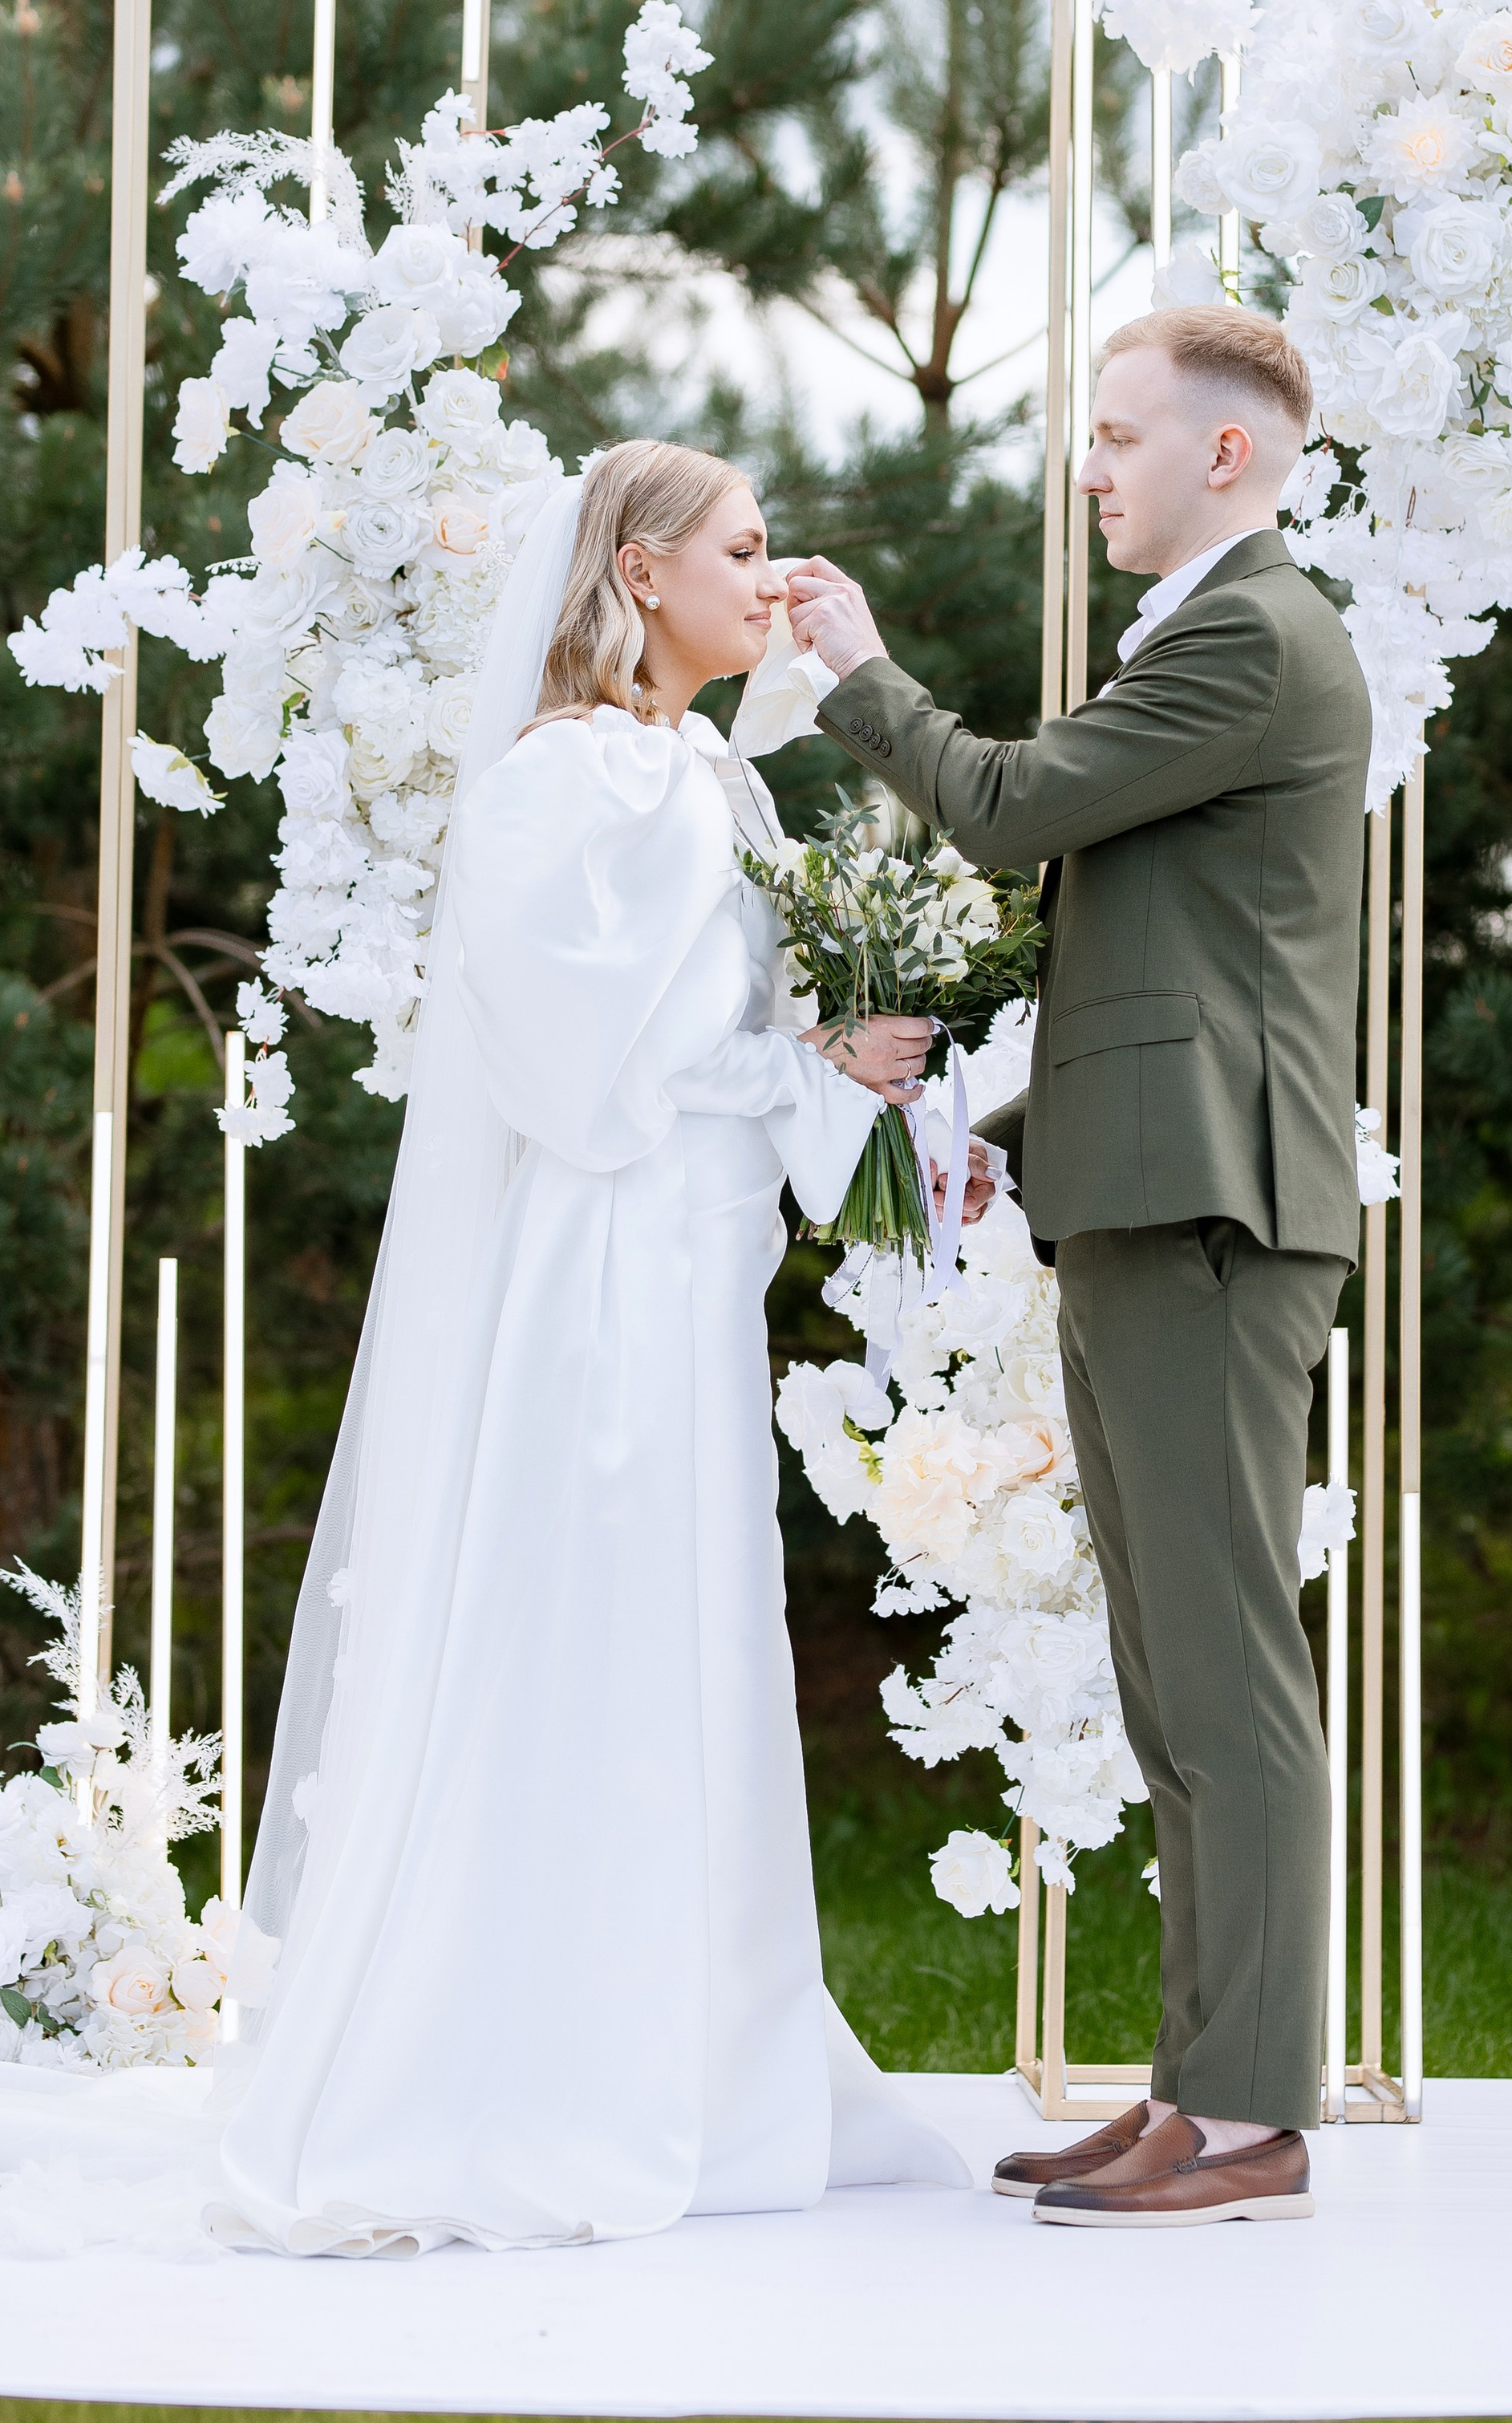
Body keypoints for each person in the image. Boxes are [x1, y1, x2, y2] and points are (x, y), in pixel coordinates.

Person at [207, 441, 969, 2251]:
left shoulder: (705, 773)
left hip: (689, 1265)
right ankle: (543, 2068)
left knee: (692, 1630)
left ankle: (701, 2054)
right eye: (744, 548)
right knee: (602, 1615)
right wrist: (797, 1065)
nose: (772, 580)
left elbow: (730, 1029)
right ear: (636, 573)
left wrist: (841, 1064)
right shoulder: (568, 783)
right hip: (606, 1271)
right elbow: (582, 1067)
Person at [786, 306, 1372, 2231]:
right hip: (1146, 1197)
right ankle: (1196, 2091)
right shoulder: (1213, 636)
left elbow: (1011, 804)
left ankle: (1248, 2118)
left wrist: (857, 669)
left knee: (1223, 1678)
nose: (1089, 469)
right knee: (1172, 1674)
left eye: (1116, 439)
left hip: (1213, 1211)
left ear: (1227, 456)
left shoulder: (1252, 635)